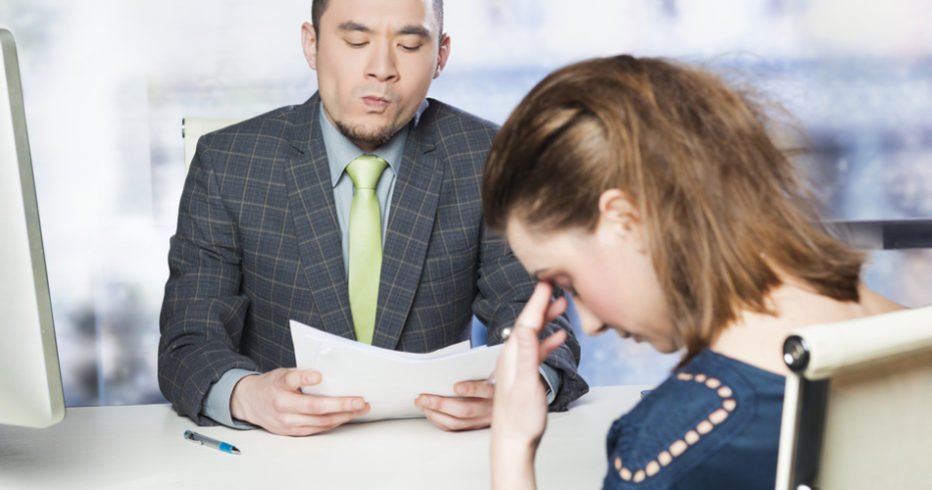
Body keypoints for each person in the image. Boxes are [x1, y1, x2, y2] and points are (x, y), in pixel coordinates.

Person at [158, 0, 588, 437]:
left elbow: (534, 313)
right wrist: (244, 395)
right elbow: (188, 341)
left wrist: (521, 386)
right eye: (357, 41)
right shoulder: (227, 163)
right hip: (279, 454)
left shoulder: (492, 158)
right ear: (312, 44)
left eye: (408, 44)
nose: (381, 69)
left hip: (435, 448)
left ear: (440, 55)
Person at [483, 55, 903, 489]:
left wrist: (512, 446)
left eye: (569, 283)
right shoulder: (904, 331)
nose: (589, 322)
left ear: (625, 218)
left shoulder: (674, 445)